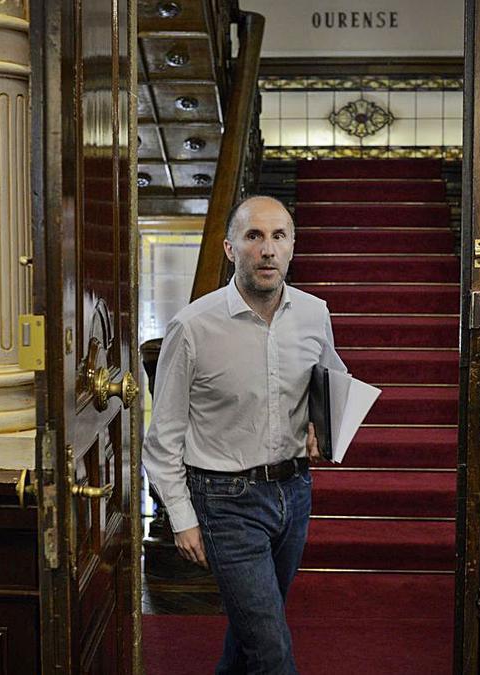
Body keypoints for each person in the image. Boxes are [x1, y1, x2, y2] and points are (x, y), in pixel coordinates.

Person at [143, 195, 347, 674]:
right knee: (271, 649)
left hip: (294, 494)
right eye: (254, 236)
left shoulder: (315, 314)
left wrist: (325, 425)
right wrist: (182, 517)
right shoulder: (192, 327)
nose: (268, 249)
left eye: (279, 236)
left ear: (293, 246)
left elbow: (331, 381)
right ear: (231, 248)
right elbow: (163, 437)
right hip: (224, 499)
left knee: (251, 630)